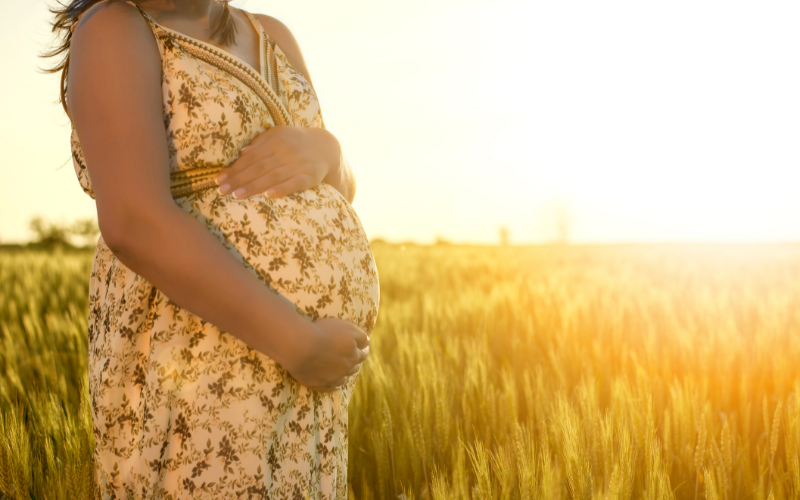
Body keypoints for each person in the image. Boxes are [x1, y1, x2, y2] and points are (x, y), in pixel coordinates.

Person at [45, 0, 380, 497]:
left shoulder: (272, 35)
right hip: (201, 359)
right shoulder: (116, 29)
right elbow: (135, 221)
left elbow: (336, 189)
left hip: (304, 386)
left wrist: (327, 150)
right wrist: (299, 344)